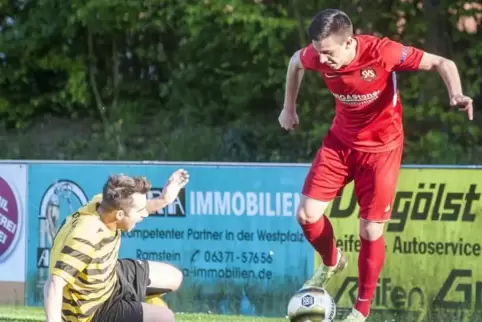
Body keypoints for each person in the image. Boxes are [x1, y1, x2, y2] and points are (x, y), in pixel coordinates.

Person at [279, 9, 473, 322]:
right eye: (318, 52)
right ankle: (332, 262)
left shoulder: (382, 52)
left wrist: (456, 93)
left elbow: (442, 62)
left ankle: (361, 310)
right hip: (340, 143)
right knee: (306, 215)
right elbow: (295, 63)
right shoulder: (318, 55)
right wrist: (288, 108)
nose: (322, 60)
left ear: (348, 43)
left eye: (328, 53)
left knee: (370, 229)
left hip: (382, 150)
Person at [43, 169, 190, 322]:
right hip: (91, 310)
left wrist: (164, 199)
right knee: (165, 318)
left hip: (109, 276)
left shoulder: (103, 203)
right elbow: (54, 283)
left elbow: (134, 207)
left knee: (174, 277)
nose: (144, 214)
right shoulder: (87, 235)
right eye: (139, 211)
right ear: (119, 215)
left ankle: (135, 306)